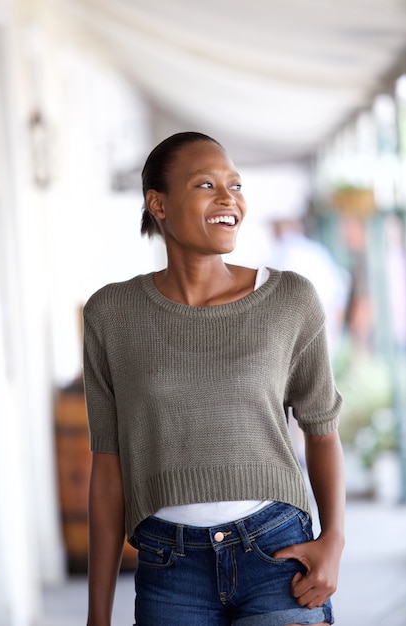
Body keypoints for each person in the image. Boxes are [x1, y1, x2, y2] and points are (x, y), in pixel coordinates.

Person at [83, 131, 345, 626]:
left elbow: (322, 430)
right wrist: (98, 616)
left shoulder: (290, 300)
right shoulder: (111, 314)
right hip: (168, 566)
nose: (230, 199)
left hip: (278, 554)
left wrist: (333, 542)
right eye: (206, 184)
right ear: (157, 203)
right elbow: (108, 470)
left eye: (236, 185)